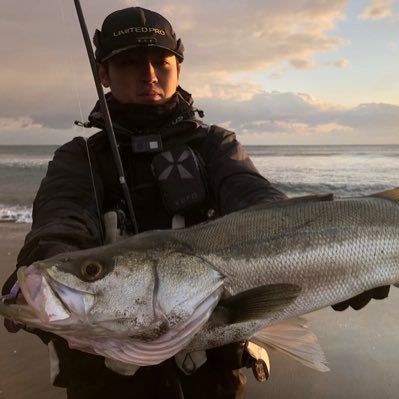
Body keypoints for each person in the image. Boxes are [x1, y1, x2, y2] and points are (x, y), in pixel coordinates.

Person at [2, 6, 390, 399]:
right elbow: (60, 217)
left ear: (179, 68)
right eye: (130, 62)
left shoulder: (216, 146)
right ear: (104, 73)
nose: (149, 75)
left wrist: (341, 253)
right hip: (106, 384)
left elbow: (257, 201)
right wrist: (47, 256)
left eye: (161, 62)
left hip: (213, 377)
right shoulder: (78, 157)